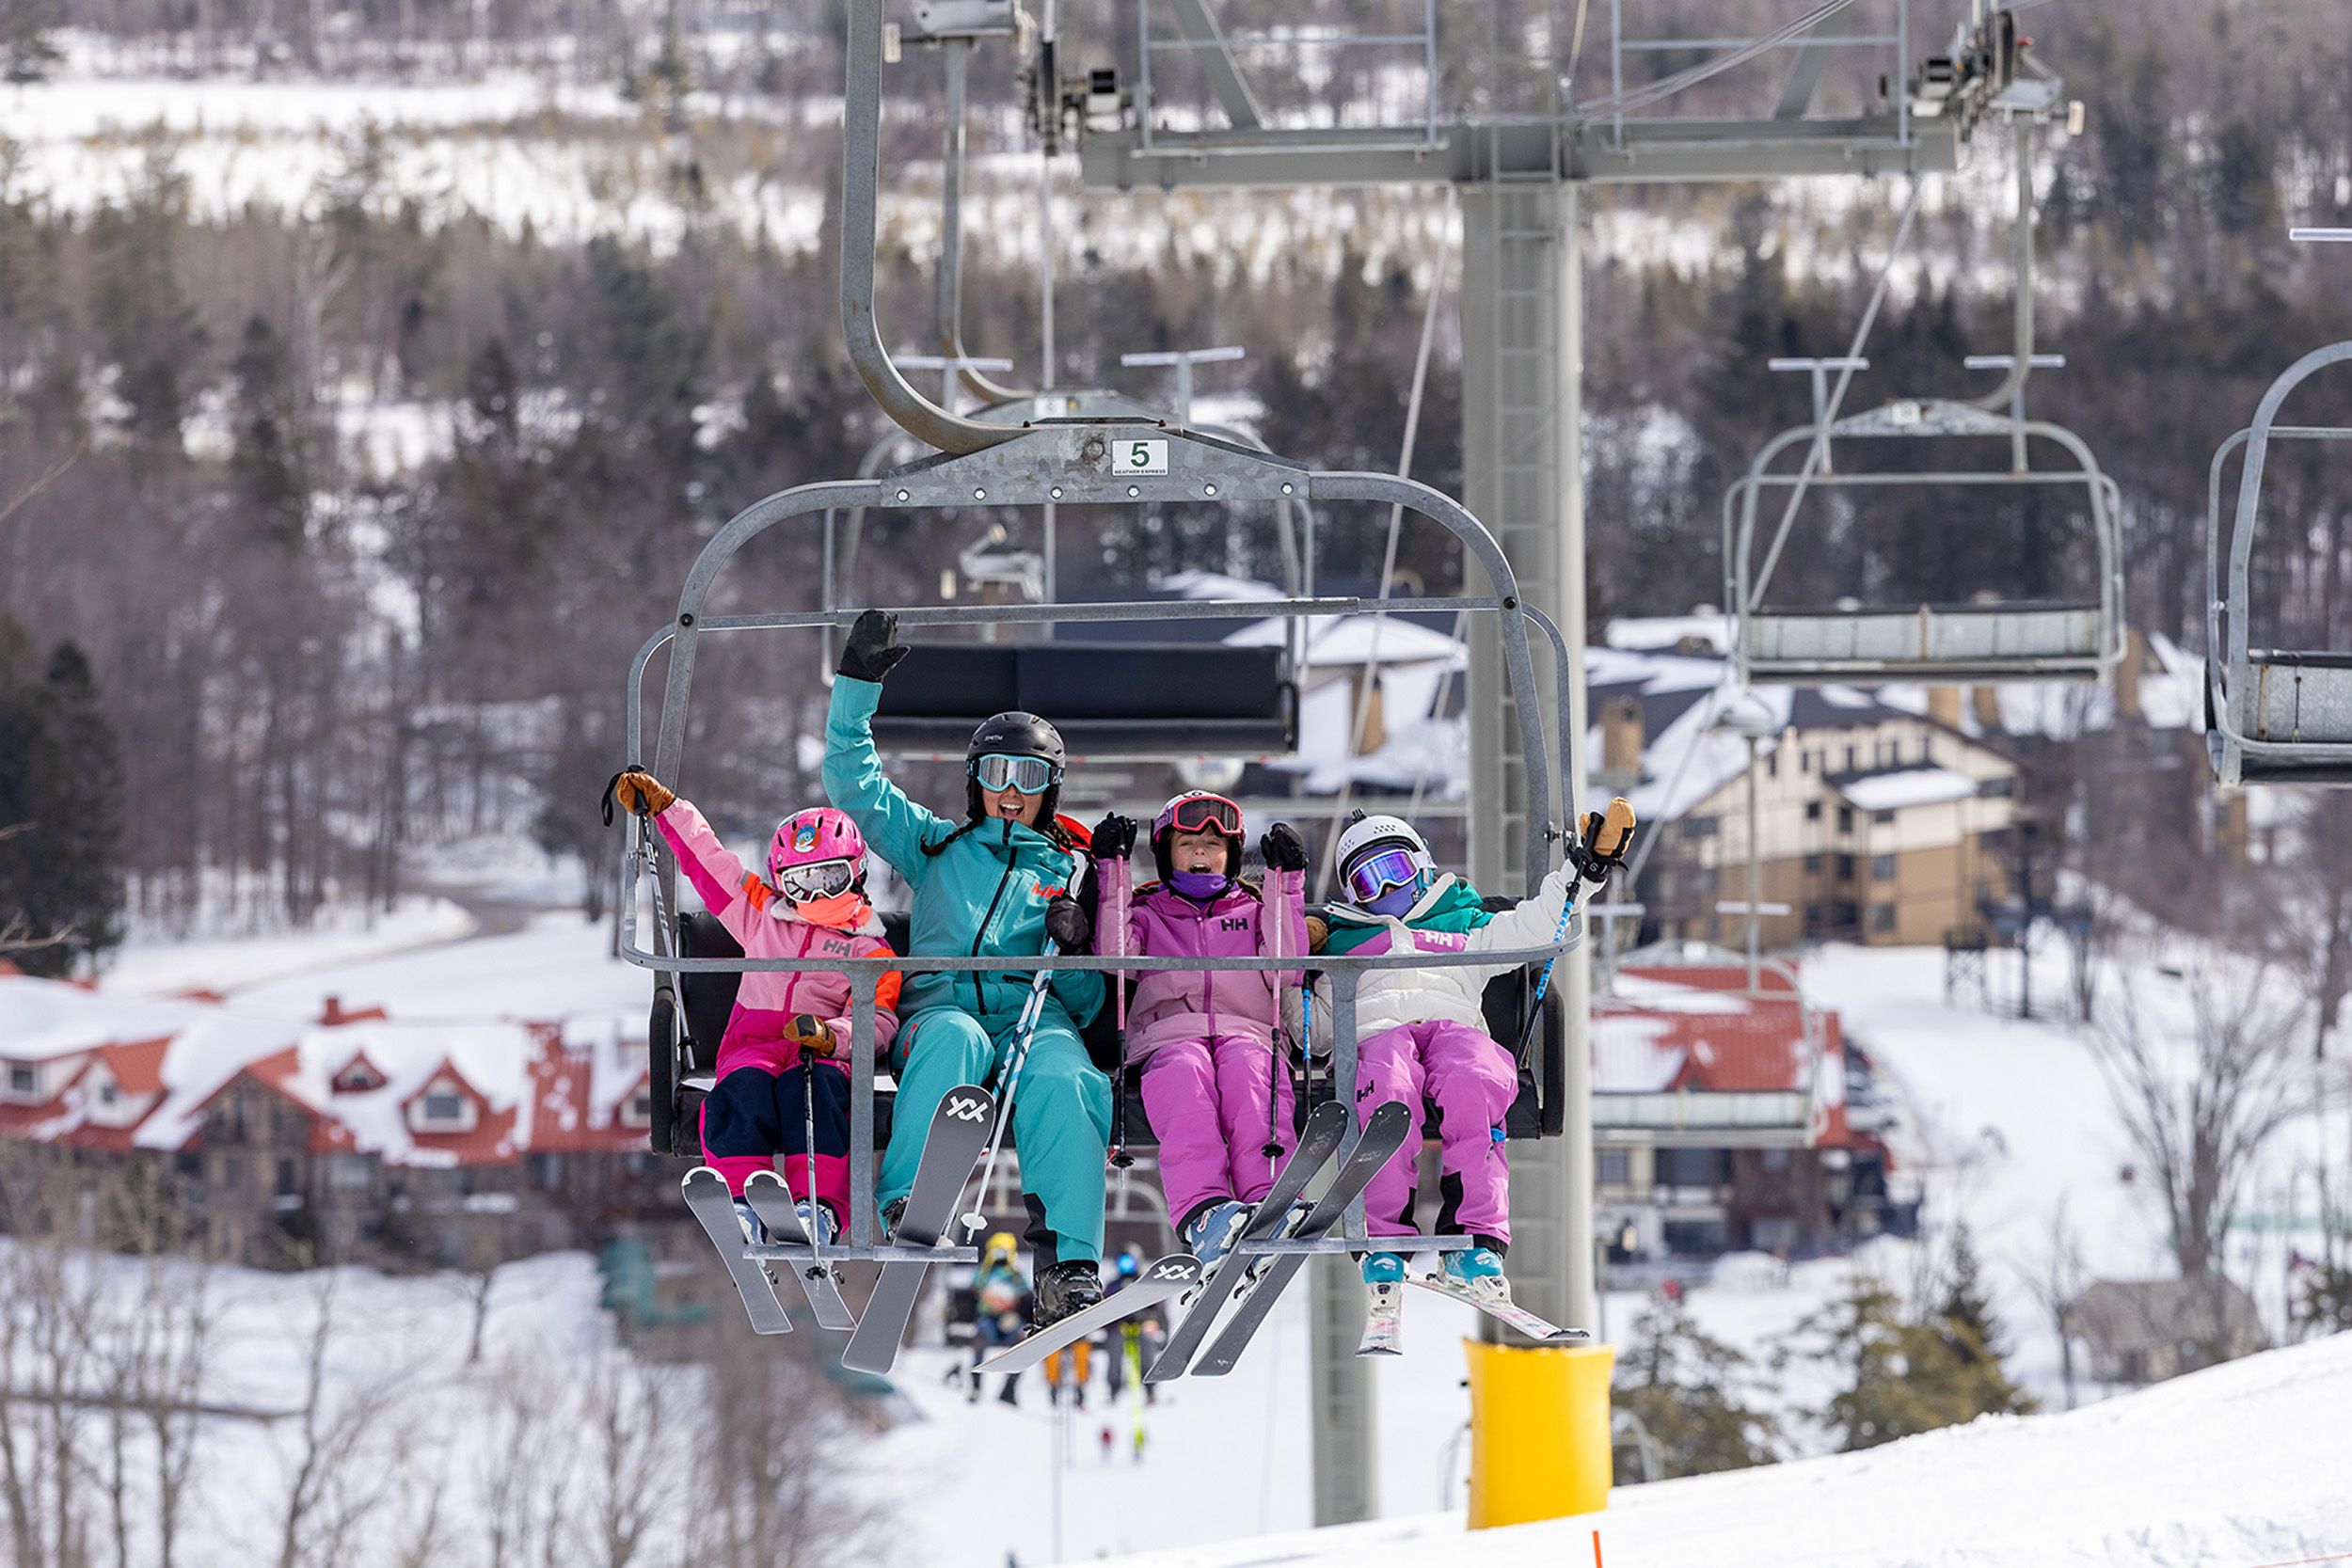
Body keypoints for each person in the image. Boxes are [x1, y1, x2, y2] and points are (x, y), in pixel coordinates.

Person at [823, 609, 1112, 1327]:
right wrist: (857, 686)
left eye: (1030, 776)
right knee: (953, 1038)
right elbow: (855, 785)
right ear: (975, 779)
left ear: (1052, 788)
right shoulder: (936, 847)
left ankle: (1069, 1265)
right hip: (943, 1008)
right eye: (997, 772)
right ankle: (909, 1201)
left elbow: (1087, 1000)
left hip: (1034, 1015)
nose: (1011, 790)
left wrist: (1075, 947)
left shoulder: (1070, 869)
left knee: (1066, 1076)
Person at [1311, 811, 1605, 1308]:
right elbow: (1314, 1030)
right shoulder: (1340, 941)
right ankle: (1383, 1239)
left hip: (1453, 1029)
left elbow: (1533, 928)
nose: (1385, 892)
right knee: (1387, 1090)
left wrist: (1581, 874)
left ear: (1422, 866)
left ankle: (1477, 1239)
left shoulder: (1463, 923)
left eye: (1395, 871)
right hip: (1378, 1036)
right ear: (1351, 895)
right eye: (1367, 882)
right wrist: (1281, 951)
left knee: (1477, 1077)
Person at [611, 774, 900, 1243]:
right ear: (782, 883)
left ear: (856, 872)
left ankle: (820, 1207)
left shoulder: (871, 954)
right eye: (801, 883)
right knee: (739, 1091)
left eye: (830, 878)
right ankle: (743, 1199)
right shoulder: (761, 917)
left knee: (814, 1094)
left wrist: (834, 1036)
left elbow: (880, 1020)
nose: (817, 896)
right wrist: (667, 810)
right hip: (754, 1046)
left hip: (821, 1056)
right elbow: (712, 866)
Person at [1090, 792, 1310, 1268]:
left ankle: (1271, 1200)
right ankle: (1206, 1212)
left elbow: (1286, 968)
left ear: (1231, 856)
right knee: (1187, 1084)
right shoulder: (1147, 913)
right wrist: (1113, 871)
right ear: (1167, 854)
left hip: (1248, 1033)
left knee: (1251, 1081)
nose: (1202, 855)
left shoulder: (1253, 911)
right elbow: (1116, 960)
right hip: (1169, 1037)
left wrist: (1285, 884)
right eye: (1189, 844)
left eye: (1213, 845)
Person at [970, 1231, 1030, 1406]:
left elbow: (1024, 1294)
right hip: (989, 1318)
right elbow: (976, 1289)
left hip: (1009, 1318)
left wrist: (1010, 1303)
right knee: (980, 1337)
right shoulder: (985, 1272)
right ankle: (976, 1386)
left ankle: (1009, 1388)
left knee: (1022, 1340)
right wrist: (990, 1299)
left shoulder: (1016, 1273)